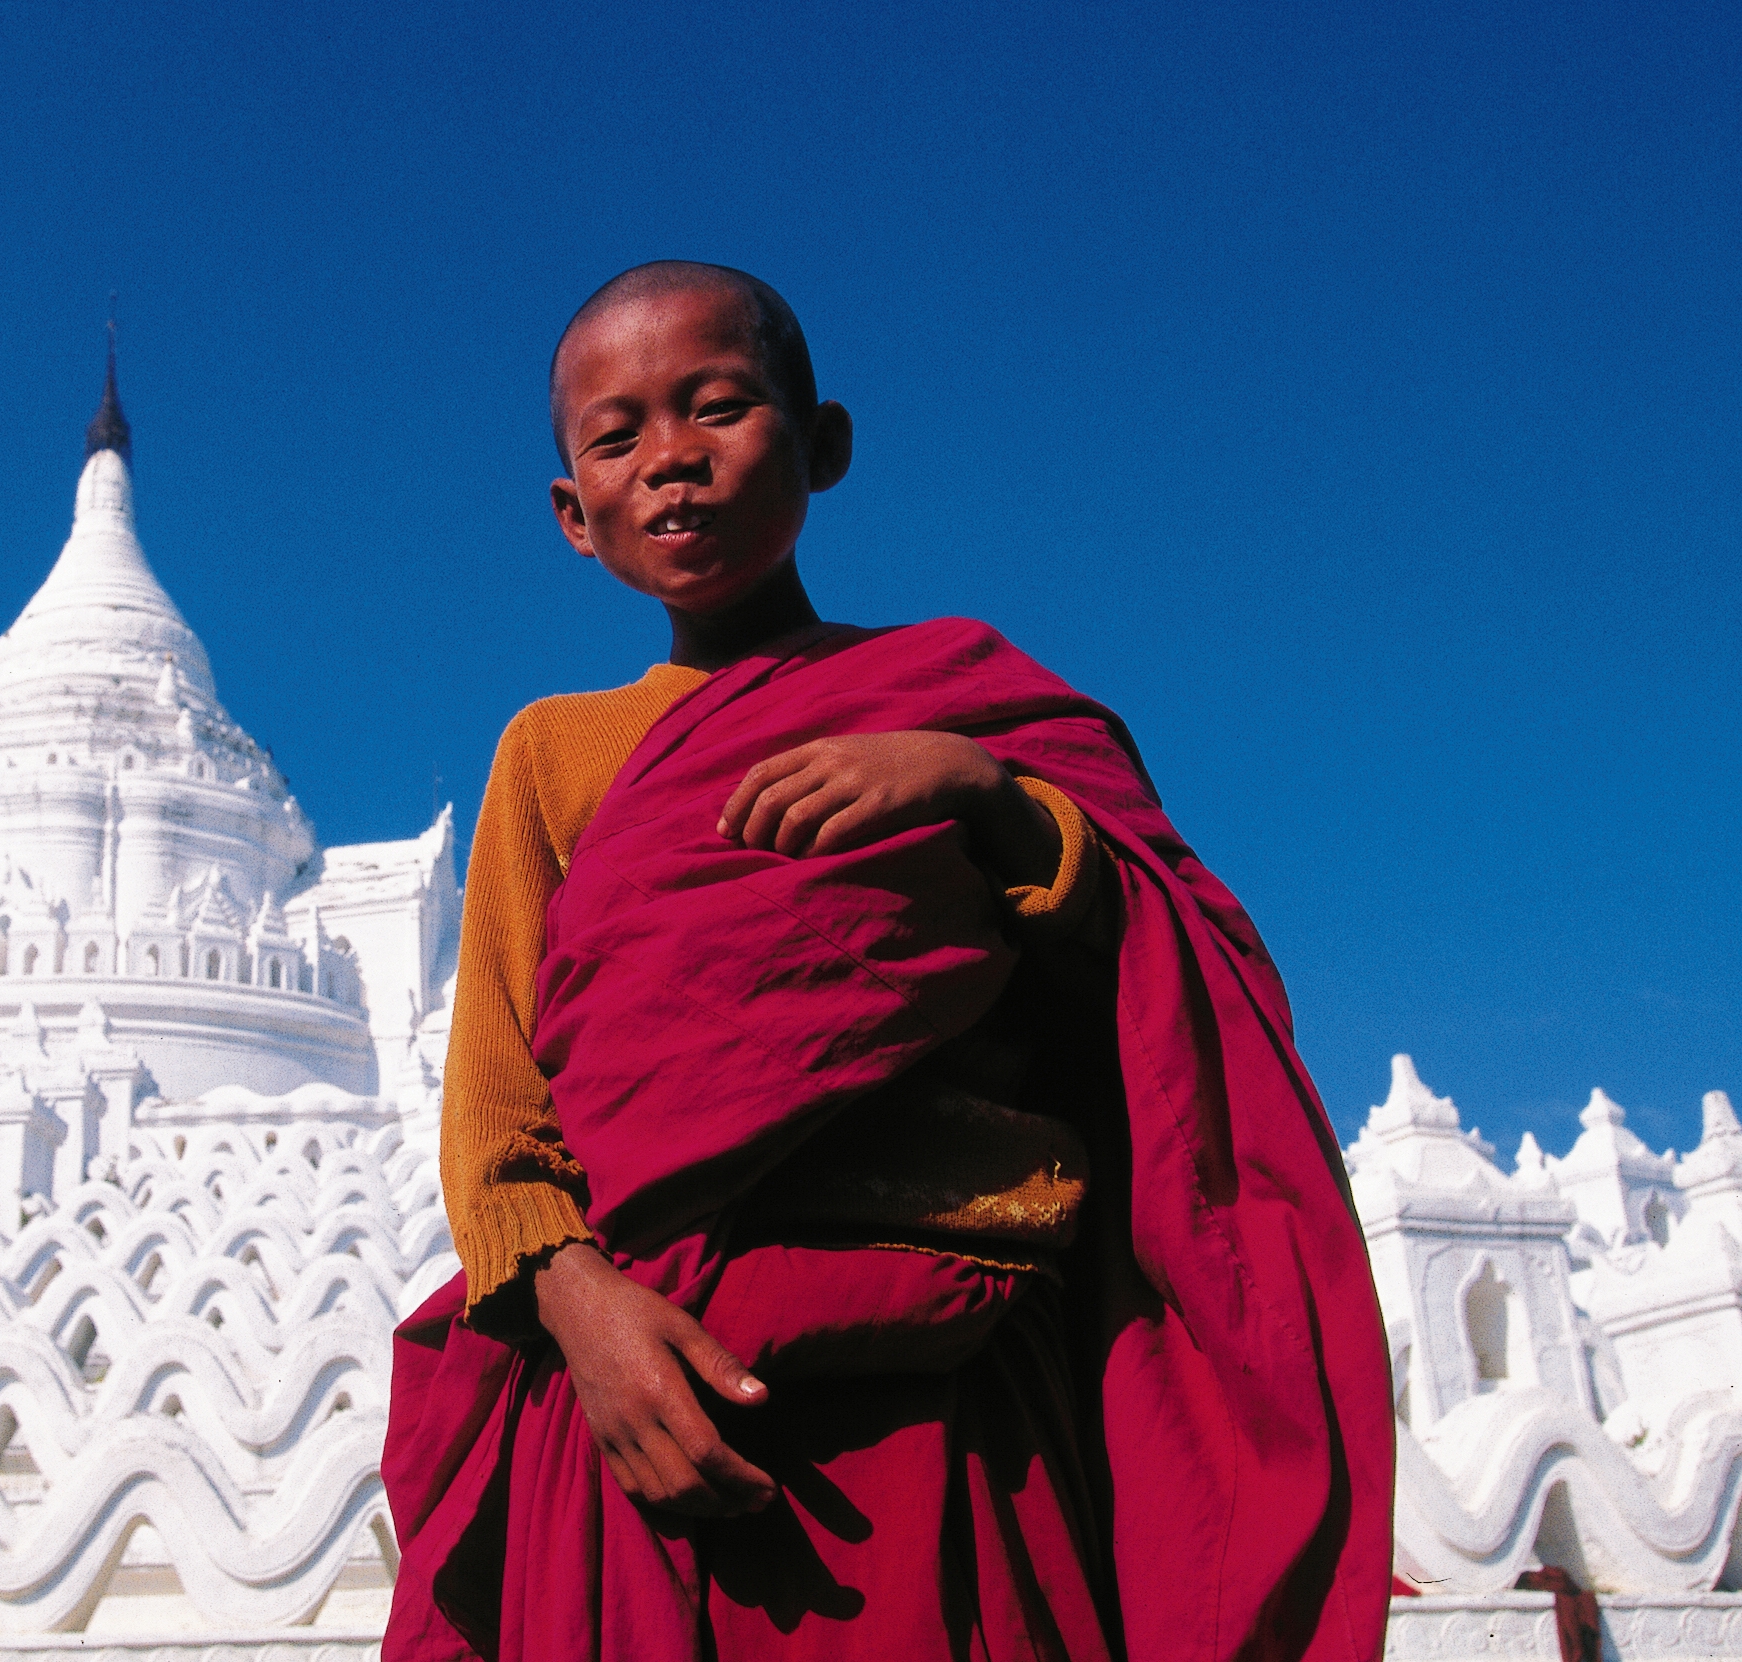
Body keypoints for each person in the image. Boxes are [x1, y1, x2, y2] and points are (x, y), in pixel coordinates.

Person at [383, 262, 1393, 1662]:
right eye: (617, 437)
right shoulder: (552, 752)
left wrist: (986, 794)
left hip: (956, 1398)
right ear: (573, 514)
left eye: (719, 407)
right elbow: (499, 1120)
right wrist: (585, 1315)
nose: (672, 457)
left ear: (825, 442)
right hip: (655, 1391)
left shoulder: (963, 708)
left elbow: (1162, 988)